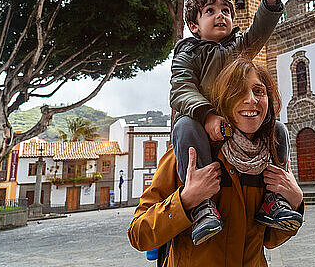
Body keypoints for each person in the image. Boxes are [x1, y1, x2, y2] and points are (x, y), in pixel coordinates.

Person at [128, 58, 304, 267]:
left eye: (259, 91)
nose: (251, 100)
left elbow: (270, 239)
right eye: (238, 91)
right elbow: (139, 234)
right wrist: (185, 201)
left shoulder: (269, 156)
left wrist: (296, 202)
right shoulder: (188, 153)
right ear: (223, 100)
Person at [170, 0, 302, 246]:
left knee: (277, 129)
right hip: (201, 121)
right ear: (194, 26)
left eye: (226, 11)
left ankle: (274, 200)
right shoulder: (188, 53)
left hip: (234, 123)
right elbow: (181, 89)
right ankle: (202, 205)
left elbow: (258, 33)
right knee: (184, 125)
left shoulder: (239, 48)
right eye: (210, 11)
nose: (221, 15)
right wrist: (206, 115)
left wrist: (268, 4)